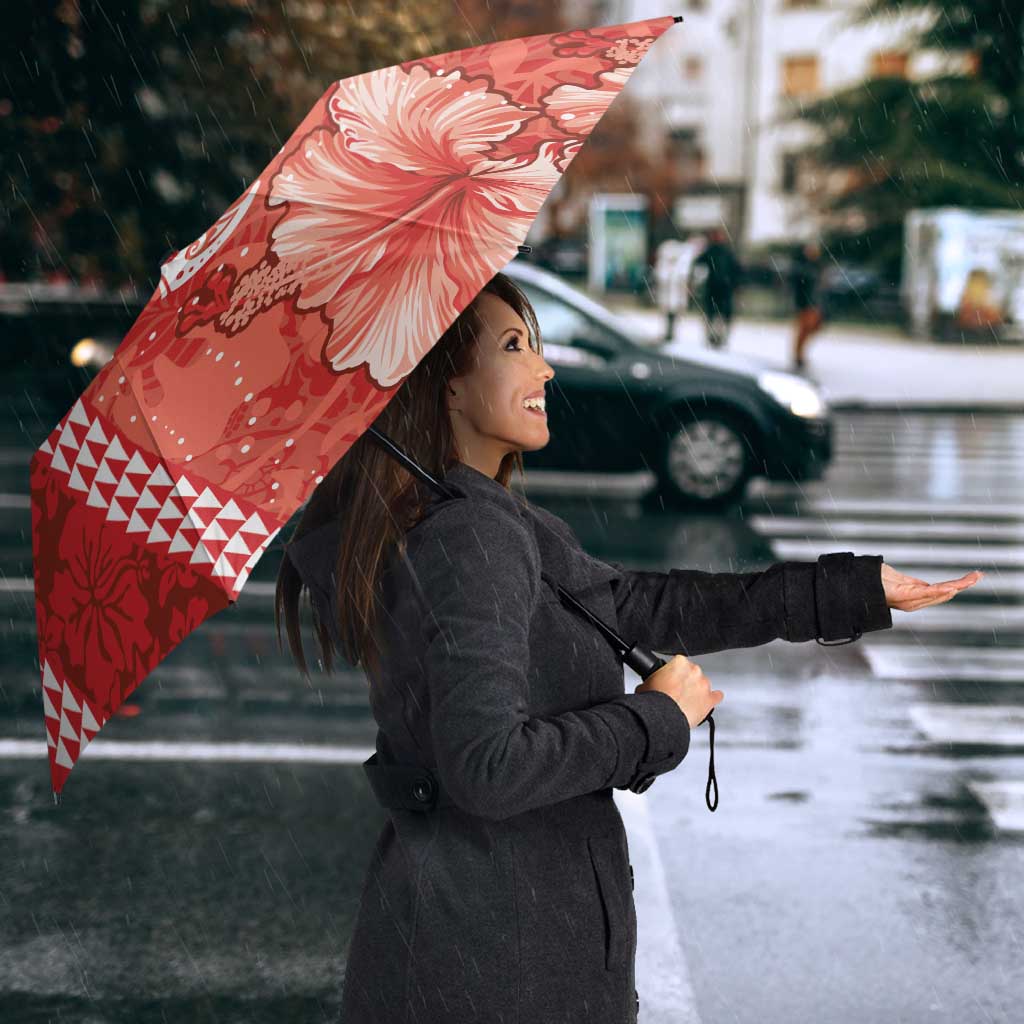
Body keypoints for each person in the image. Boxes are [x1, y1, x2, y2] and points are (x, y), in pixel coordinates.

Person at [276, 271, 978, 1024]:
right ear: (445, 385)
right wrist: (655, 719)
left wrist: (850, 591)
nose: (544, 368)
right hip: (498, 962)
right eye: (514, 346)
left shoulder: (476, 517)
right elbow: (487, 767)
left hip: (478, 942)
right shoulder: (469, 536)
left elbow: (640, 605)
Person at [692, 226, 742, 349]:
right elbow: (698, 264)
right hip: (715, 288)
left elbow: (736, 270)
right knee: (713, 314)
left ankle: (719, 337)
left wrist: (735, 284)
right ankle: (713, 337)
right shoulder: (712, 251)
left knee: (720, 315)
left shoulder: (725, 252)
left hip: (723, 288)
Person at [790, 239, 826, 370]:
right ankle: (798, 355)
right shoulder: (802, 267)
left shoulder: (817, 266)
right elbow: (799, 286)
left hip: (814, 303)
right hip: (805, 303)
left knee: (812, 328)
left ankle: (799, 354)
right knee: (804, 329)